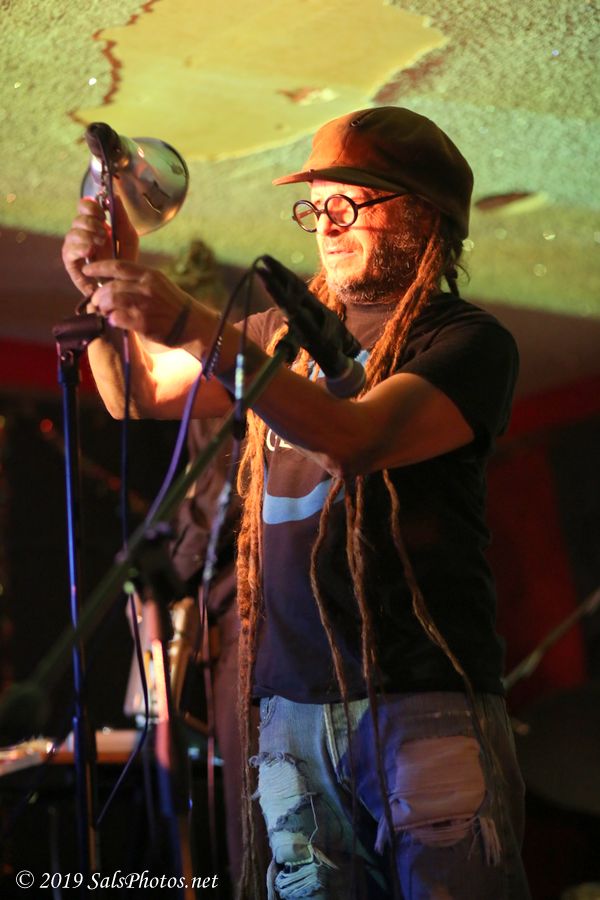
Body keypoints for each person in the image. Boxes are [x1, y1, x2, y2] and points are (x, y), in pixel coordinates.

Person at [62, 106, 530, 899]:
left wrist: (192, 321)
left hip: (420, 702)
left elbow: (353, 437)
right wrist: (107, 281)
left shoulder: (466, 341)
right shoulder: (279, 334)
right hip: (290, 709)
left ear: (423, 215)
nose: (327, 224)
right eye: (316, 206)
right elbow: (134, 392)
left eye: (350, 202)